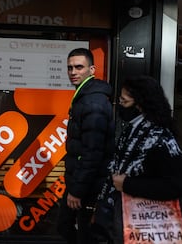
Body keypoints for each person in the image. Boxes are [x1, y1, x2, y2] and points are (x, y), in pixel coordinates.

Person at [101, 75, 182, 243]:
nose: (120, 104)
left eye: (125, 101)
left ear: (141, 105)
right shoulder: (135, 129)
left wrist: (127, 184)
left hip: (149, 224)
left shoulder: (157, 138)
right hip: (132, 220)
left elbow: (176, 184)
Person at [57, 48, 115, 243]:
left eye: (79, 67)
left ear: (91, 69)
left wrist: (77, 190)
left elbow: (92, 152)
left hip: (88, 185)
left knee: (82, 232)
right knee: (69, 227)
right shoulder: (84, 97)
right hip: (83, 182)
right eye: (70, 68)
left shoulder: (93, 103)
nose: (73, 72)